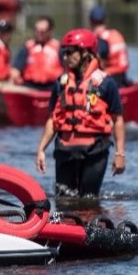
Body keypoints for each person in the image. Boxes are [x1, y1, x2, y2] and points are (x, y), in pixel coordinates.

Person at [34, 28, 125, 199]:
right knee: (63, 200)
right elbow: (52, 120)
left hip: (95, 152)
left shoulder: (106, 84)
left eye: (70, 52)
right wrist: (41, 149)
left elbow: (118, 120)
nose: (65, 57)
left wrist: (120, 154)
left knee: (88, 201)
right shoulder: (61, 84)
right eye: (64, 52)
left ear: (85, 53)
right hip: (65, 151)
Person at [9, 15, 64, 91]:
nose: (39, 34)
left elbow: (67, 69)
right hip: (29, 86)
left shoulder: (58, 48)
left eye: (42, 31)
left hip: (52, 86)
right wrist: (15, 78)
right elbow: (16, 69)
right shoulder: (27, 47)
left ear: (50, 31)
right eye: (37, 31)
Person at [89, 6, 130, 86]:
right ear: (105, 21)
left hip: (110, 78)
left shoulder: (99, 39)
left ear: (91, 22)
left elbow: (99, 62)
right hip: (123, 76)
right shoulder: (116, 34)